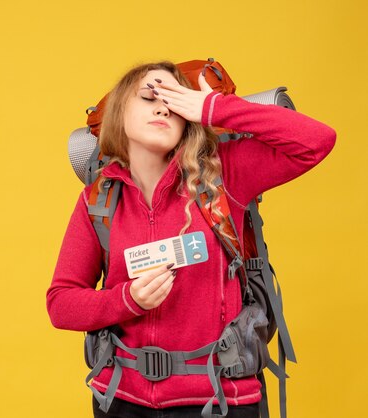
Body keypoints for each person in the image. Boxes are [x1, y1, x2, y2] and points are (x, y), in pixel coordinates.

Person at [46, 60, 336, 418]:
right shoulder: (99, 200)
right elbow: (61, 304)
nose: (164, 106)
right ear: (119, 113)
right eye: (150, 95)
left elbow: (317, 141)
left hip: (219, 400)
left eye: (175, 99)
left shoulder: (225, 175)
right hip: (121, 400)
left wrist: (211, 107)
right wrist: (128, 299)